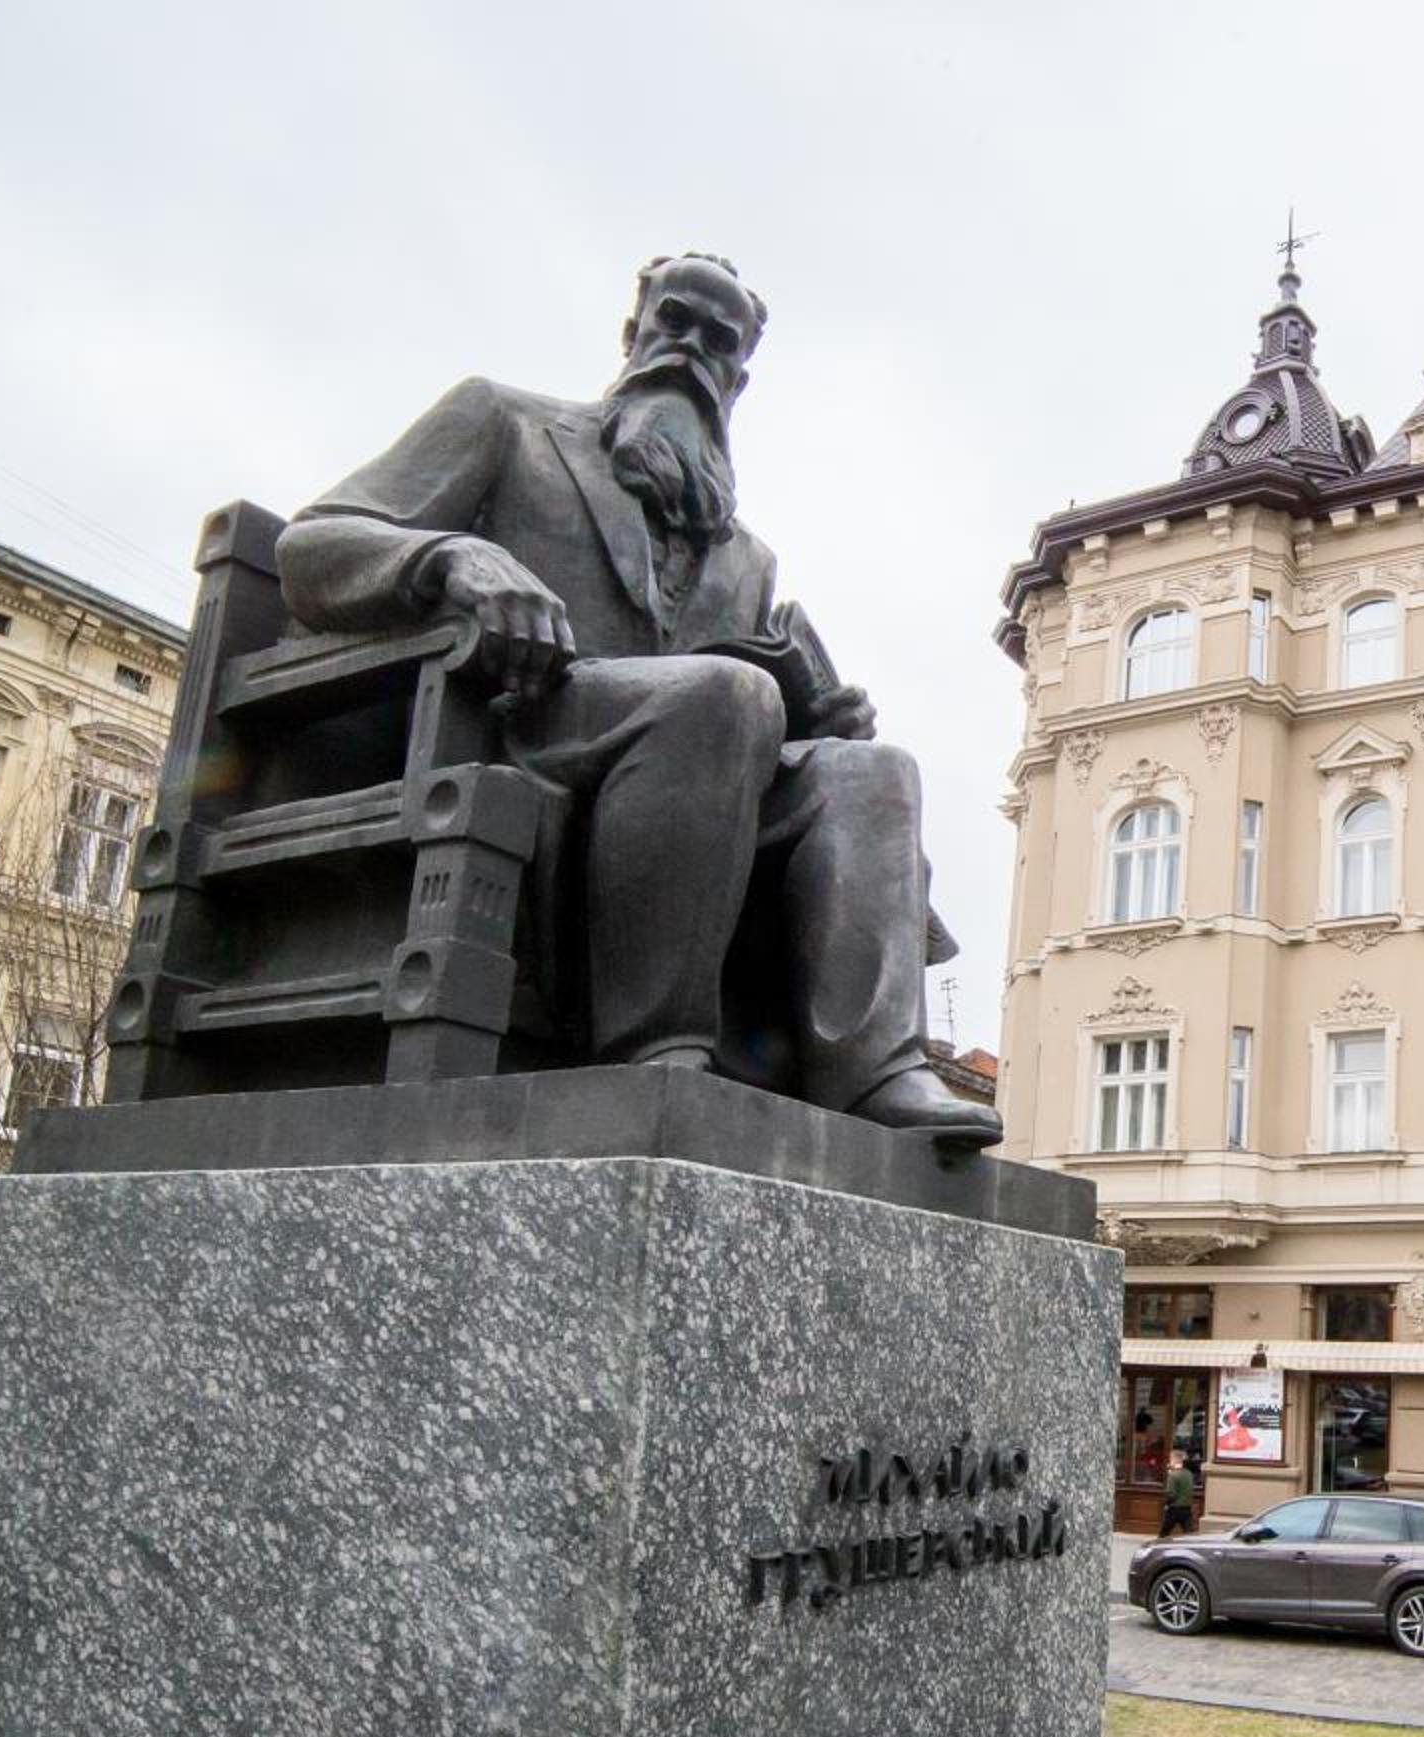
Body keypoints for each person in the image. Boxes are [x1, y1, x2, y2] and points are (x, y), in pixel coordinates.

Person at [275, 254, 997, 1143]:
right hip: (521, 724)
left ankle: (877, 1074)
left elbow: (734, 706)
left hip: (692, 772)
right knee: (726, 697)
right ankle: (655, 1054)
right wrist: (456, 557)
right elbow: (313, 547)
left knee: (871, 768)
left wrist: (818, 719)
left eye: (718, 342)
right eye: (674, 323)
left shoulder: (747, 558)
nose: (690, 351)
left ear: (738, 379)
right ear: (633, 334)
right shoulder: (505, 422)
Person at [1159, 1452, 1199, 1540]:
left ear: (1175, 1461)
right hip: (1187, 1508)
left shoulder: (1173, 1476)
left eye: (1170, 1460)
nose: (1169, 1462)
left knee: (1164, 1533)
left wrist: (1166, 1504)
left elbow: (1172, 1494)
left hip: (1174, 1509)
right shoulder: (1189, 1473)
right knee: (1189, 1533)